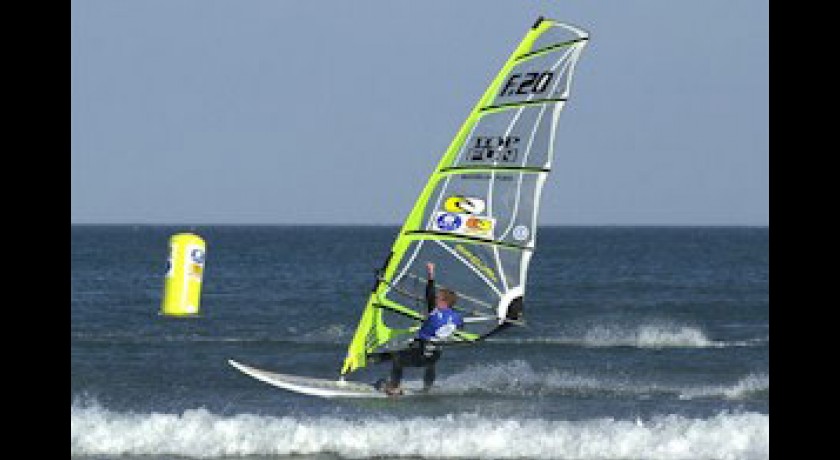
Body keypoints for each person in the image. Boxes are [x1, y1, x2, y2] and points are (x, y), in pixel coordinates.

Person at [370, 262, 464, 396]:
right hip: (434, 355)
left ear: (443, 302)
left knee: (397, 359)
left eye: (438, 298)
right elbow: (459, 328)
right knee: (431, 363)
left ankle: (394, 388)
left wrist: (431, 275)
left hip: (421, 353)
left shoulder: (435, 312)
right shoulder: (457, 317)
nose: (435, 299)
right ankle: (427, 387)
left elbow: (429, 295)